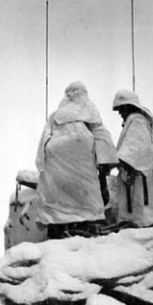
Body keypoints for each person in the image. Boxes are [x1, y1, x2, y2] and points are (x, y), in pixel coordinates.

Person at [35, 81, 118, 238]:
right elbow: (101, 134)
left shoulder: (56, 114)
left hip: (55, 152)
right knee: (89, 197)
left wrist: (41, 162)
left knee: (57, 196)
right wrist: (106, 163)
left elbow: (43, 141)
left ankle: (59, 224)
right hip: (81, 151)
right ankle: (86, 224)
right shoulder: (88, 108)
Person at [112, 89, 153, 227]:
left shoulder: (137, 120)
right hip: (140, 177)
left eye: (121, 109)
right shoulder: (135, 122)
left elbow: (134, 150)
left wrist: (121, 162)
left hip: (140, 179)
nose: (120, 113)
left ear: (128, 106)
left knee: (142, 217)